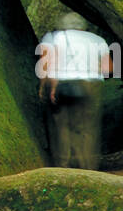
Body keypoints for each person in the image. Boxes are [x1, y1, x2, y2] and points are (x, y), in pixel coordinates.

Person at [37, 13, 110, 170]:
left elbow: (46, 64)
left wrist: (44, 86)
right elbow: (108, 68)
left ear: (62, 24)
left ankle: (63, 167)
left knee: (61, 126)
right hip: (90, 85)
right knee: (87, 127)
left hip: (62, 84)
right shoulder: (97, 40)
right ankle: (88, 167)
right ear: (83, 26)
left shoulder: (53, 37)